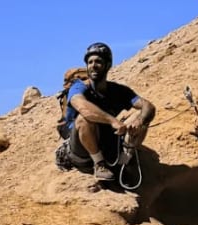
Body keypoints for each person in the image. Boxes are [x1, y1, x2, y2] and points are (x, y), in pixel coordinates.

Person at [63, 42, 156, 181]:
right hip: (81, 151)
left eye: (98, 62)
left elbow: (148, 106)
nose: (93, 65)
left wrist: (140, 121)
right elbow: (83, 107)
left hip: (108, 143)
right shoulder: (78, 87)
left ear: (107, 65)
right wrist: (112, 121)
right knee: (84, 119)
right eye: (90, 62)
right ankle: (99, 164)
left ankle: (124, 160)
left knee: (141, 115)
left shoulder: (118, 90)